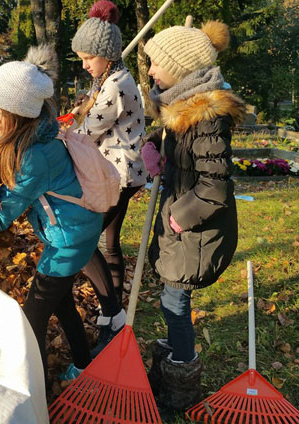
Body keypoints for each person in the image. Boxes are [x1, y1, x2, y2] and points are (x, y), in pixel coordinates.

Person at [0, 45, 103, 384]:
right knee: (62, 303)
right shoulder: (41, 131)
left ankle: (36, 391)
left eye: (0, 112)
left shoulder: (31, 158)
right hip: (79, 230)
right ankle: (84, 366)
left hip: (67, 242)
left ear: (21, 113)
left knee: (32, 318)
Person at [141, 21, 246, 411]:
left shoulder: (206, 117)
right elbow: (173, 140)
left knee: (175, 302)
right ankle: (170, 359)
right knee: (171, 298)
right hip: (182, 224)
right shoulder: (181, 107)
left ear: (182, 69)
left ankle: (181, 379)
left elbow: (214, 187)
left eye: (156, 64)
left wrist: (180, 218)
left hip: (195, 229)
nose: (150, 71)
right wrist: (155, 146)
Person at [71, 0, 147, 359]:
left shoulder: (116, 84)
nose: (84, 64)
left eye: (88, 57)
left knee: (82, 242)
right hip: (124, 171)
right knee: (109, 242)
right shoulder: (110, 78)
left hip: (115, 174)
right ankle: (113, 311)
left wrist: (62, 137)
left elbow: (88, 131)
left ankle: (112, 313)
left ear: (106, 54)